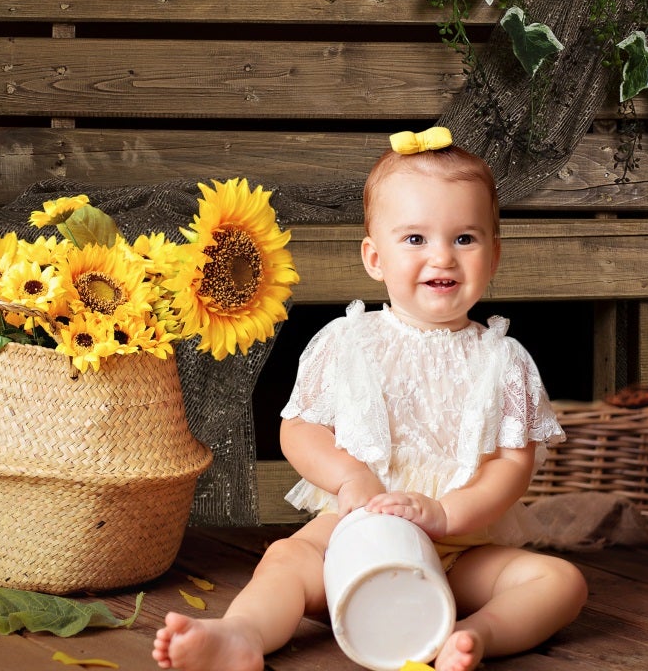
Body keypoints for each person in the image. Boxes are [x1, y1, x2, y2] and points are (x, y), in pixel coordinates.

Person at [154, 132, 588, 671]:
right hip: (355, 529)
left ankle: (469, 635)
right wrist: (350, 479)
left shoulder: (505, 360)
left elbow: (512, 467)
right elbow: (300, 429)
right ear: (375, 258)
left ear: (494, 254)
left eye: (465, 238)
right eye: (415, 238)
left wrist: (446, 515)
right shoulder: (348, 341)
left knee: (558, 580)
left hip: (460, 547)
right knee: (289, 557)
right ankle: (242, 634)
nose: (442, 256)